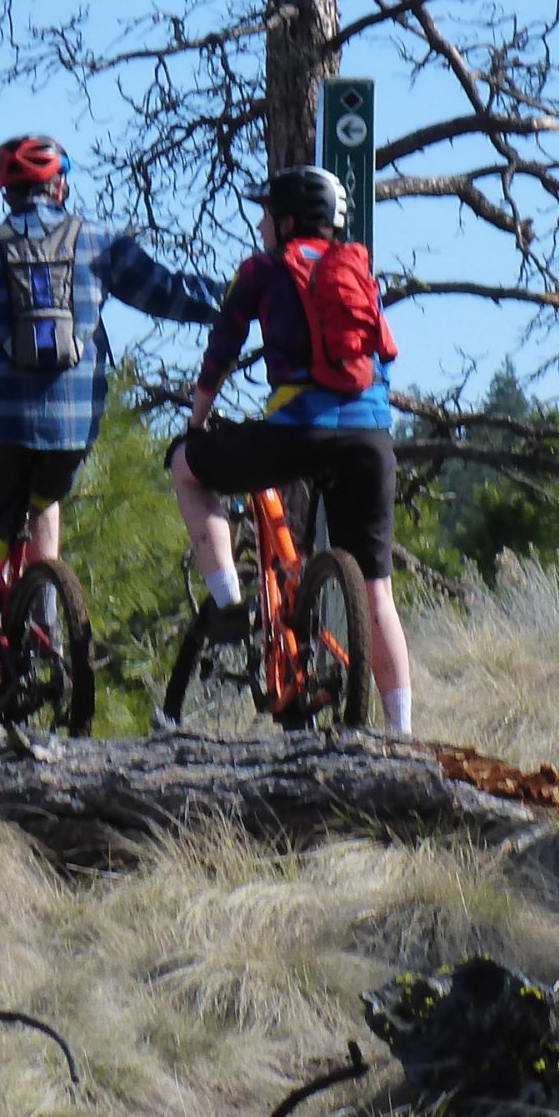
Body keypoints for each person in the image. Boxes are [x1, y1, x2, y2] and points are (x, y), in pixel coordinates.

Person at [0, 135, 223, 724]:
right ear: (61, 187)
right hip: (72, 432)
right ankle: (43, 620)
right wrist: (237, 299)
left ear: (6, 193)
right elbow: (169, 294)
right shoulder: (99, 243)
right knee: (43, 498)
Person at [172, 164, 414, 735]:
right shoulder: (358, 270)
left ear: (285, 221)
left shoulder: (261, 270)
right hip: (371, 440)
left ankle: (229, 601)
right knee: (377, 590)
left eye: (264, 215)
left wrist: (197, 423)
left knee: (185, 466)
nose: (259, 225)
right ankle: (401, 732)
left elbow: (221, 352)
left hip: (296, 434)